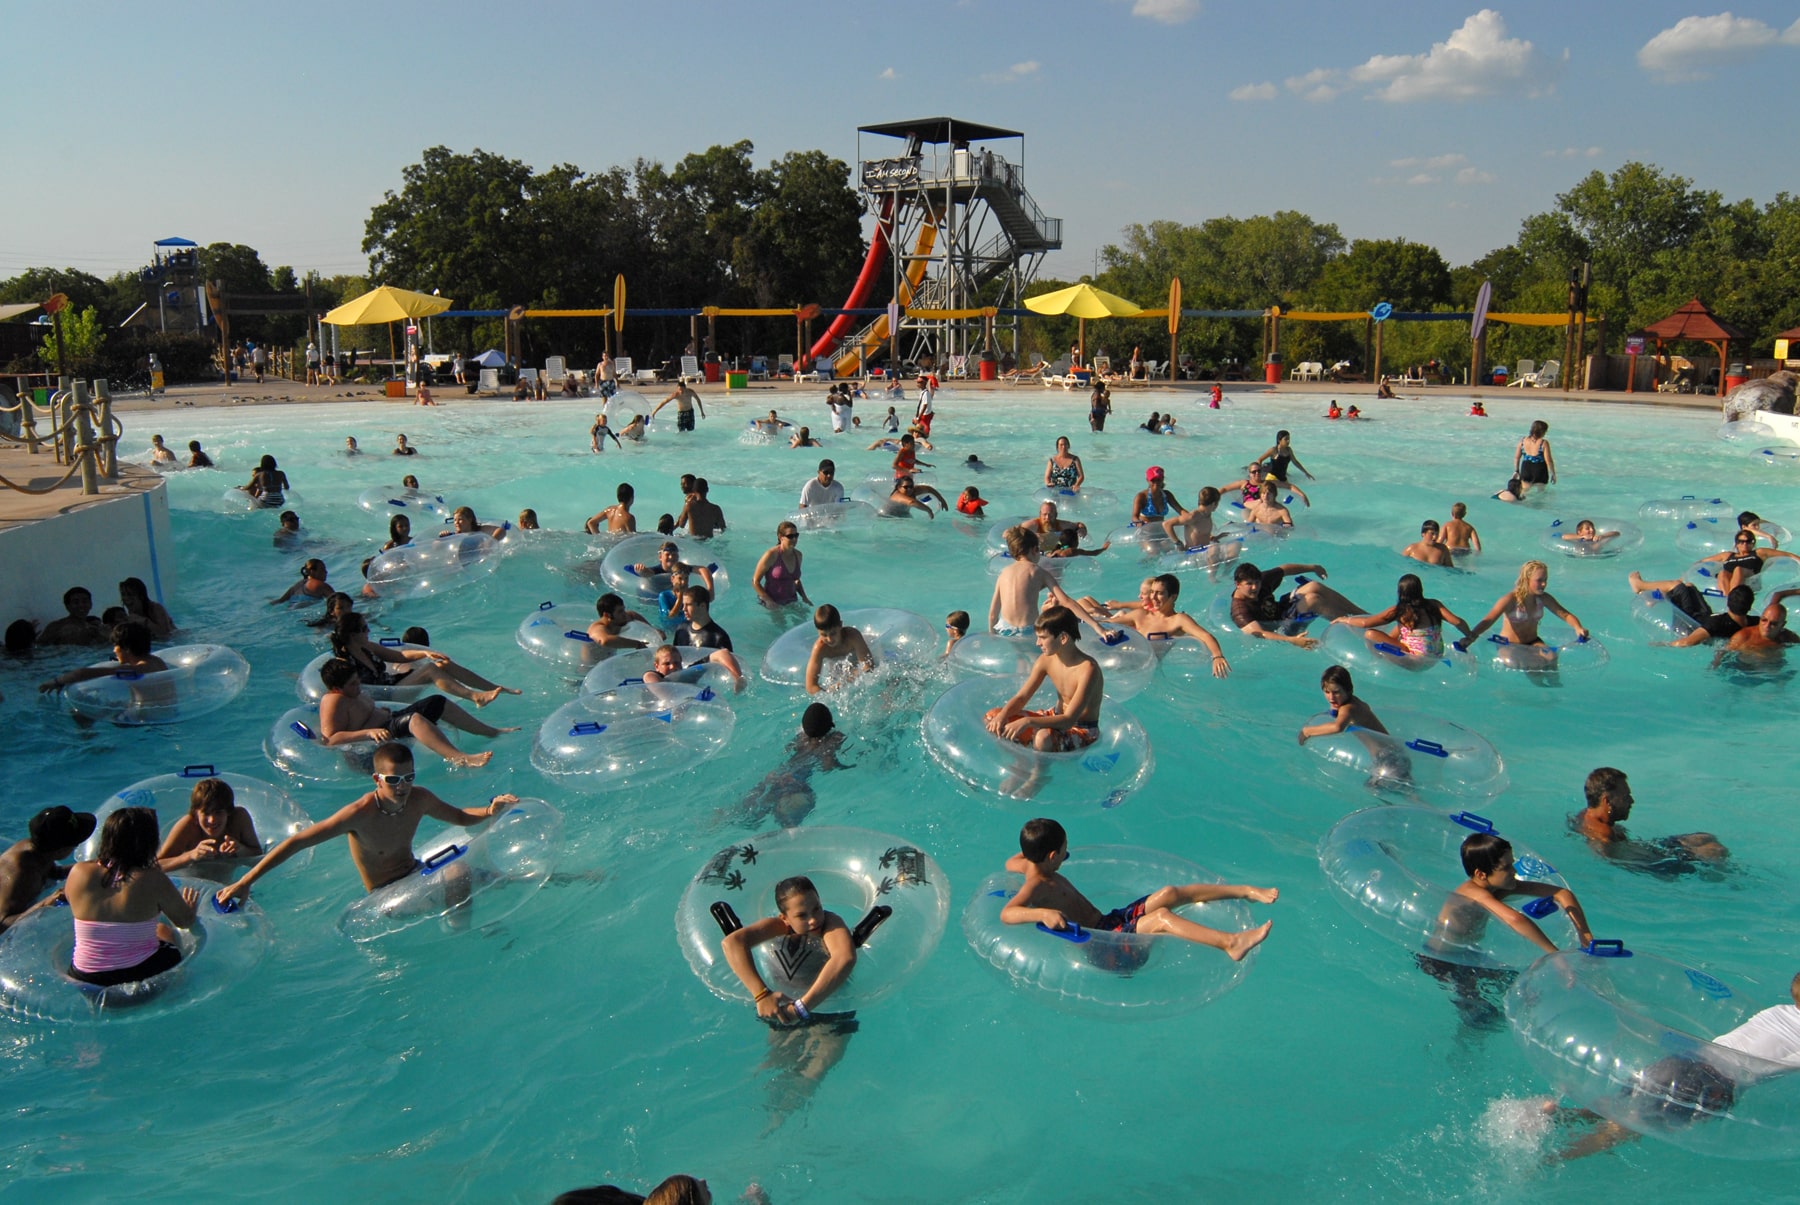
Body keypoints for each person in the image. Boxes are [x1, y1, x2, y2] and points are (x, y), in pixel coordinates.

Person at [215, 743, 519, 907]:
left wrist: (491, 808)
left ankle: (558, 881)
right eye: (394, 780)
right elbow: (298, 842)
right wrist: (245, 882)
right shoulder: (359, 814)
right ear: (377, 780)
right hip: (387, 897)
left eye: (409, 778)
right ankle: (461, 938)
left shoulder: (419, 799)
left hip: (415, 874)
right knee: (458, 871)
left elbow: (461, 817)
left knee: (498, 876)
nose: (403, 787)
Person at [1001, 817, 1274, 959]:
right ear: (1051, 857)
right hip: (1107, 945)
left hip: (1110, 920)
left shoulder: (1029, 865)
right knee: (1162, 916)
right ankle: (1231, 943)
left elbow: (1011, 861)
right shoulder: (1036, 884)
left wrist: (1035, 849)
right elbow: (1008, 913)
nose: (1066, 855)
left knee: (1169, 893)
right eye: (1064, 851)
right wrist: (1041, 914)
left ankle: (1245, 891)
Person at [1416, 830, 1593, 1031]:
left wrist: (1585, 935)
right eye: (1506, 867)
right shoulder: (1473, 893)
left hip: (1467, 952)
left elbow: (1562, 893)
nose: (1514, 872)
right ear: (1481, 874)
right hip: (1441, 959)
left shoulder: (1497, 886)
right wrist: (1555, 955)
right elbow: (1515, 919)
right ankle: (1465, 1045)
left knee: (1518, 984)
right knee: (1480, 1016)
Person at [63, 808, 200, 987]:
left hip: (83, 976)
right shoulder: (153, 878)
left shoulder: (78, 872)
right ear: (148, 843)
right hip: (136, 973)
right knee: (164, 930)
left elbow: (74, 901)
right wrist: (189, 910)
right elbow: (184, 922)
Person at [315, 658, 515, 768]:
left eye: (357, 681)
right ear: (336, 688)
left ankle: (491, 731)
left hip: (387, 723)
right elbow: (330, 739)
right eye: (352, 684)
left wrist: (379, 711)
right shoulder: (333, 701)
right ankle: (459, 758)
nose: (358, 686)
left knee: (437, 702)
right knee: (414, 719)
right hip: (371, 748)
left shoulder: (351, 694)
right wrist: (367, 733)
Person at [722, 873, 856, 1028]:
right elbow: (732, 943)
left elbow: (844, 958)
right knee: (780, 1052)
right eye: (801, 915)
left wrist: (801, 1008)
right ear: (785, 918)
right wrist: (762, 995)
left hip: (829, 1009)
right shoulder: (777, 927)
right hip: (783, 1009)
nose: (813, 919)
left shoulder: (831, 924)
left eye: (817, 909)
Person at [983, 606, 1104, 754]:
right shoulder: (1046, 660)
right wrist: (1002, 716)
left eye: (1043, 638)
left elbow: (1069, 719)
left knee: (1043, 737)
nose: (1037, 643)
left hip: (1082, 729)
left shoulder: (1087, 669)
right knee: (993, 717)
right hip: (1054, 716)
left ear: (1063, 638)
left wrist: (1028, 721)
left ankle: (1037, 775)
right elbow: (1021, 697)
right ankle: (1021, 762)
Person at [1571, 766, 1728, 877]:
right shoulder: (1603, 833)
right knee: (1715, 851)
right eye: (1625, 797)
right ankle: (1724, 879)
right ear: (1607, 801)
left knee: (1704, 837)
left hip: (1645, 849)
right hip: (1652, 863)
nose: (1631, 801)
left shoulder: (1586, 814)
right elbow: (1605, 856)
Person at [332, 611, 517, 703]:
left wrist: (425, 652)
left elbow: (400, 655)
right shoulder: (344, 662)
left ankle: (495, 688)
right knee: (430, 669)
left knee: (441, 663)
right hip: (386, 696)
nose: (369, 631)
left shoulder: (368, 648)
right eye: (364, 629)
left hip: (394, 684)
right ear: (352, 635)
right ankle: (475, 697)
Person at [728, 703, 852, 830]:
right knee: (790, 822)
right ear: (830, 724)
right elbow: (827, 767)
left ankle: (725, 816)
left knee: (754, 812)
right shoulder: (833, 739)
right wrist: (841, 765)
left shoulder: (801, 737)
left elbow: (787, 750)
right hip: (796, 781)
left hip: (778, 773)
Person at [1459, 560, 1590, 666]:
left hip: (1533, 642)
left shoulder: (1543, 598)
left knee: (1552, 657)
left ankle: (1555, 689)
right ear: (1527, 579)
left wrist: (1577, 627)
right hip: (1509, 645)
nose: (1544, 584)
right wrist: (1471, 637)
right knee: (1529, 664)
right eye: (1539, 580)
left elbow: (1565, 615)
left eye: (1545, 579)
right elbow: (1488, 620)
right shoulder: (1510, 599)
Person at [1108, 574, 1231, 678]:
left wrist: (1217, 656)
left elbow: (1205, 636)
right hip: (1120, 662)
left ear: (1173, 597)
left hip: (1146, 672)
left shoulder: (1178, 620)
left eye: (1160, 593)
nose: (1153, 597)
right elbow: (1107, 624)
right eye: (1152, 592)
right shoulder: (1140, 615)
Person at [0, 806, 96, 931]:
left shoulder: (39, 850)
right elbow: (2, 924)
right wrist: (46, 903)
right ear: (60, 851)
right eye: (75, 844)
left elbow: (55, 872)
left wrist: (95, 864)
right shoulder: (24, 873)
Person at [1333, 573, 1472, 659]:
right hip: (1436, 654)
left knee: (1370, 634)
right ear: (1420, 590)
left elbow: (1365, 623)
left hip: (1416, 658)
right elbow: (1458, 622)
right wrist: (1469, 636)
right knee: (1401, 628)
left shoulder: (1399, 610)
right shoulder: (1434, 604)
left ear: (1401, 593)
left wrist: (1344, 619)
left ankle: (1378, 658)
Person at [1229, 561, 1363, 648]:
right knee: (1313, 599)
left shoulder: (1260, 581)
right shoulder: (1240, 610)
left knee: (1313, 586)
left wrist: (1312, 568)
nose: (1254, 587)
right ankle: (1357, 626)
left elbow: (1284, 569)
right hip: (1280, 628)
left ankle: (1361, 614)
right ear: (1238, 584)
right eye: (1249, 584)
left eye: (1256, 583)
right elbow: (1260, 633)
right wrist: (1293, 640)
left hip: (1282, 610)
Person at [155, 777, 264, 878]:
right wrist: (190, 856)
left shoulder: (239, 818)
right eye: (206, 813)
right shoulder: (188, 827)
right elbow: (154, 867)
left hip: (227, 885)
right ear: (196, 813)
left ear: (228, 811)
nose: (212, 820)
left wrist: (240, 849)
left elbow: (259, 856)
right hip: (192, 887)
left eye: (218, 812)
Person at [39, 620, 168, 694]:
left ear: (126, 648)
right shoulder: (157, 662)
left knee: (80, 714)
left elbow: (82, 673)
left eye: (115, 645)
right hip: (165, 715)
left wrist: (57, 681)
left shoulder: (137, 671)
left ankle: (86, 738)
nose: (114, 650)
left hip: (145, 719)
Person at [1626, 573, 1756, 647]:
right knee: (1689, 586)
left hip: (1689, 623)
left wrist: (1662, 644)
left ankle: (1639, 586)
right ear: (1749, 606)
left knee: (1678, 585)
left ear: (1728, 603)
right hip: (1704, 616)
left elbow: (1689, 641)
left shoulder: (1718, 624)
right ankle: (1657, 598)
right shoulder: (1752, 622)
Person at [672, 585, 745, 690]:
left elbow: (725, 672)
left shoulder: (718, 636)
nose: (683, 609)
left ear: (702, 606)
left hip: (703, 688)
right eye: (683, 605)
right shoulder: (681, 629)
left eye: (688, 605)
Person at [1694, 530, 1800, 596]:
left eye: (1748, 541)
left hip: (1750, 576)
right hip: (1730, 580)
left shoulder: (1759, 552)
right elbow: (1702, 561)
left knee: (1738, 569)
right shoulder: (1727, 555)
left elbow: (1788, 555)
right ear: (1736, 543)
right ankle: (1727, 598)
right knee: (1722, 573)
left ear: (1753, 543)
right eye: (1741, 541)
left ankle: (1731, 598)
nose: (1745, 544)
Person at [803, 604, 877, 695]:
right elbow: (810, 687)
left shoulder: (852, 637)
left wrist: (846, 681)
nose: (829, 639)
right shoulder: (820, 648)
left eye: (833, 633)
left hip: (855, 663)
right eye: (824, 635)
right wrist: (828, 694)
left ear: (841, 625)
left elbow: (868, 666)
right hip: (836, 669)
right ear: (817, 631)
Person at [1716, 601, 1800, 668]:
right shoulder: (1744, 637)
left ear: (1782, 625)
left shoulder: (1787, 637)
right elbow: (1723, 652)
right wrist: (1715, 666)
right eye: (1764, 620)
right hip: (1746, 670)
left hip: (1773, 668)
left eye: (1773, 623)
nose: (1767, 626)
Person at [753, 522, 809, 610]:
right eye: (790, 536)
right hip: (773, 602)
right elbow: (755, 581)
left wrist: (804, 597)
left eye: (796, 535)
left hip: (792, 600)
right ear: (780, 537)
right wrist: (769, 601)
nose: (794, 539)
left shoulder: (798, 555)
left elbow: (796, 580)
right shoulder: (771, 555)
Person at [1161, 485, 1225, 553]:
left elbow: (1201, 533)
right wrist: (1178, 543)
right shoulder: (1193, 516)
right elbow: (1166, 524)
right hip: (1192, 554)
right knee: (1214, 550)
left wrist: (1213, 538)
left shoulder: (1207, 514)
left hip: (1203, 552)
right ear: (1214, 503)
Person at [39, 586, 107, 646]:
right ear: (67, 606)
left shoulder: (96, 628)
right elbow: (40, 646)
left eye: (84, 601)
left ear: (90, 604)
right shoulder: (56, 627)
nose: (81, 605)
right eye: (76, 602)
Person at [588, 594, 658, 649]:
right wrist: (638, 644)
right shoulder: (597, 628)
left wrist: (654, 630)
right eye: (620, 611)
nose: (624, 614)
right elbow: (605, 641)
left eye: (623, 610)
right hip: (590, 665)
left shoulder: (619, 619)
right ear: (607, 615)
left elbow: (632, 615)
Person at [270, 558, 334, 605]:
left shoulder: (296, 586)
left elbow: (280, 601)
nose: (326, 572)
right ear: (312, 571)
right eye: (322, 569)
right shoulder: (321, 585)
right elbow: (336, 601)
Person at [1514, 419, 1555, 491]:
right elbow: (1549, 461)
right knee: (1540, 494)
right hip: (1540, 471)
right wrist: (1553, 474)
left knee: (1524, 493)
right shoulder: (1543, 443)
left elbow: (1517, 458)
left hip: (1526, 469)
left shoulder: (1522, 441)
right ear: (1542, 431)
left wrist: (1516, 471)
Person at [1022, 499, 1086, 545]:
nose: (1047, 517)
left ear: (1056, 515)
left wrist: (1082, 529)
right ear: (1040, 514)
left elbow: (1079, 525)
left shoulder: (1061, 525)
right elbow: (1015, 533)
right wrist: (1033, 536)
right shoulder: (1033, 525)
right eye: (1044, 514)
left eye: (1051, 514)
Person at [1554, 518, 1622, 552]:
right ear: (1579, 532)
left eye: (1592, 528)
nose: (1592, 530)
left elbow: (1616, 533)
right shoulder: (1577, 540)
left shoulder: (1598, 540)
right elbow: (1564, 537)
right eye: (1587, 529)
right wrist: (1582, 537)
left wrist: (1602, 536)